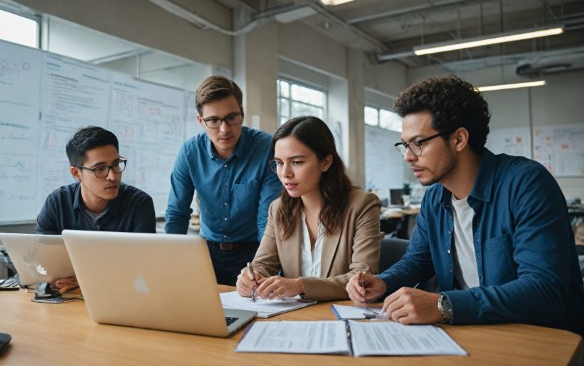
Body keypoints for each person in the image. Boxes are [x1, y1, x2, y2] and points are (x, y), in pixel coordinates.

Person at [346, 75, 584, 336]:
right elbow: (417, 260)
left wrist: (442, 305)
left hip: (540, 337)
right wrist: (382, 282)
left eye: (419, 143)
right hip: (472, 333)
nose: (408, 156)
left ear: (459, 139)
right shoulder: (435, 197)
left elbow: (545, 290)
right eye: (404, 145)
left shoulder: (526, 184)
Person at [236, 116, 381, 301]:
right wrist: (251, 278)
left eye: (297, 162)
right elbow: (263, 264)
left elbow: (361, 277)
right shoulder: (278, 209)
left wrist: (300, 286)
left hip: (343, 315)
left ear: (325, 162)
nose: (285, 173)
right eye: (279, 163)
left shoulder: (362, 205)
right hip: (294, 318)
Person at [165, 76, 282, 285]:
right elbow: (177, 213)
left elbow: (268, 219)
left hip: (254, 250)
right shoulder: (190, 152)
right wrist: (171, 262)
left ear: (242, 114)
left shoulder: (266, 148)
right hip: (206, 253)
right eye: (213, 120)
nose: (224, 129)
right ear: (201, 121)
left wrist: (261, 267)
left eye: (231, 117)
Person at [36, 126, 156, 293]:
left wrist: (86, 279)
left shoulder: (139, 204)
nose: (113, 176)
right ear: (76, 173)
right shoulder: (57, 202)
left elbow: (144, 266)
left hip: (122, 294)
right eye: (100, 169)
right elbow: (41, 259)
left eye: (116, 165)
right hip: (68, 295)